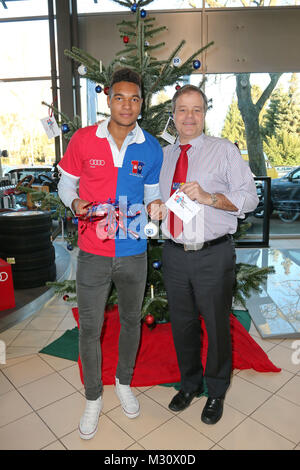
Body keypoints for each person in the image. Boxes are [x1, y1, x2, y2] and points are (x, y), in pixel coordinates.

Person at [57, 68, 164, 440]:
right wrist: (74, 201)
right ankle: (92, 398)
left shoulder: (150, 147)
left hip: (134, 251)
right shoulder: (84, 140)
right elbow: (65, 184)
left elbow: (151, 193)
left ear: (142, 104)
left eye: (135, 98)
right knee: (90, 328)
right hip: (92, 251)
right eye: (120, 97)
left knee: (132, 321)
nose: (127, 105)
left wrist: (156, 207)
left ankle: (123, 382)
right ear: (108, 100)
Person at [159, 85, 259, 425]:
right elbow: (162, 201)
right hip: (173, 255)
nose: (189, 116)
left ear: (205, 114)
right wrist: (155, 208)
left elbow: (249, 199)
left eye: (196, 109)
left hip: (212, 255)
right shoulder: (168, 154)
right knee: (182, 326)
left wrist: (209, 197)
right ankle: (189, 384)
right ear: (173, 115)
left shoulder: (224, 151)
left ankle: (216, 391)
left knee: (217, 326)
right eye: (183, 110)